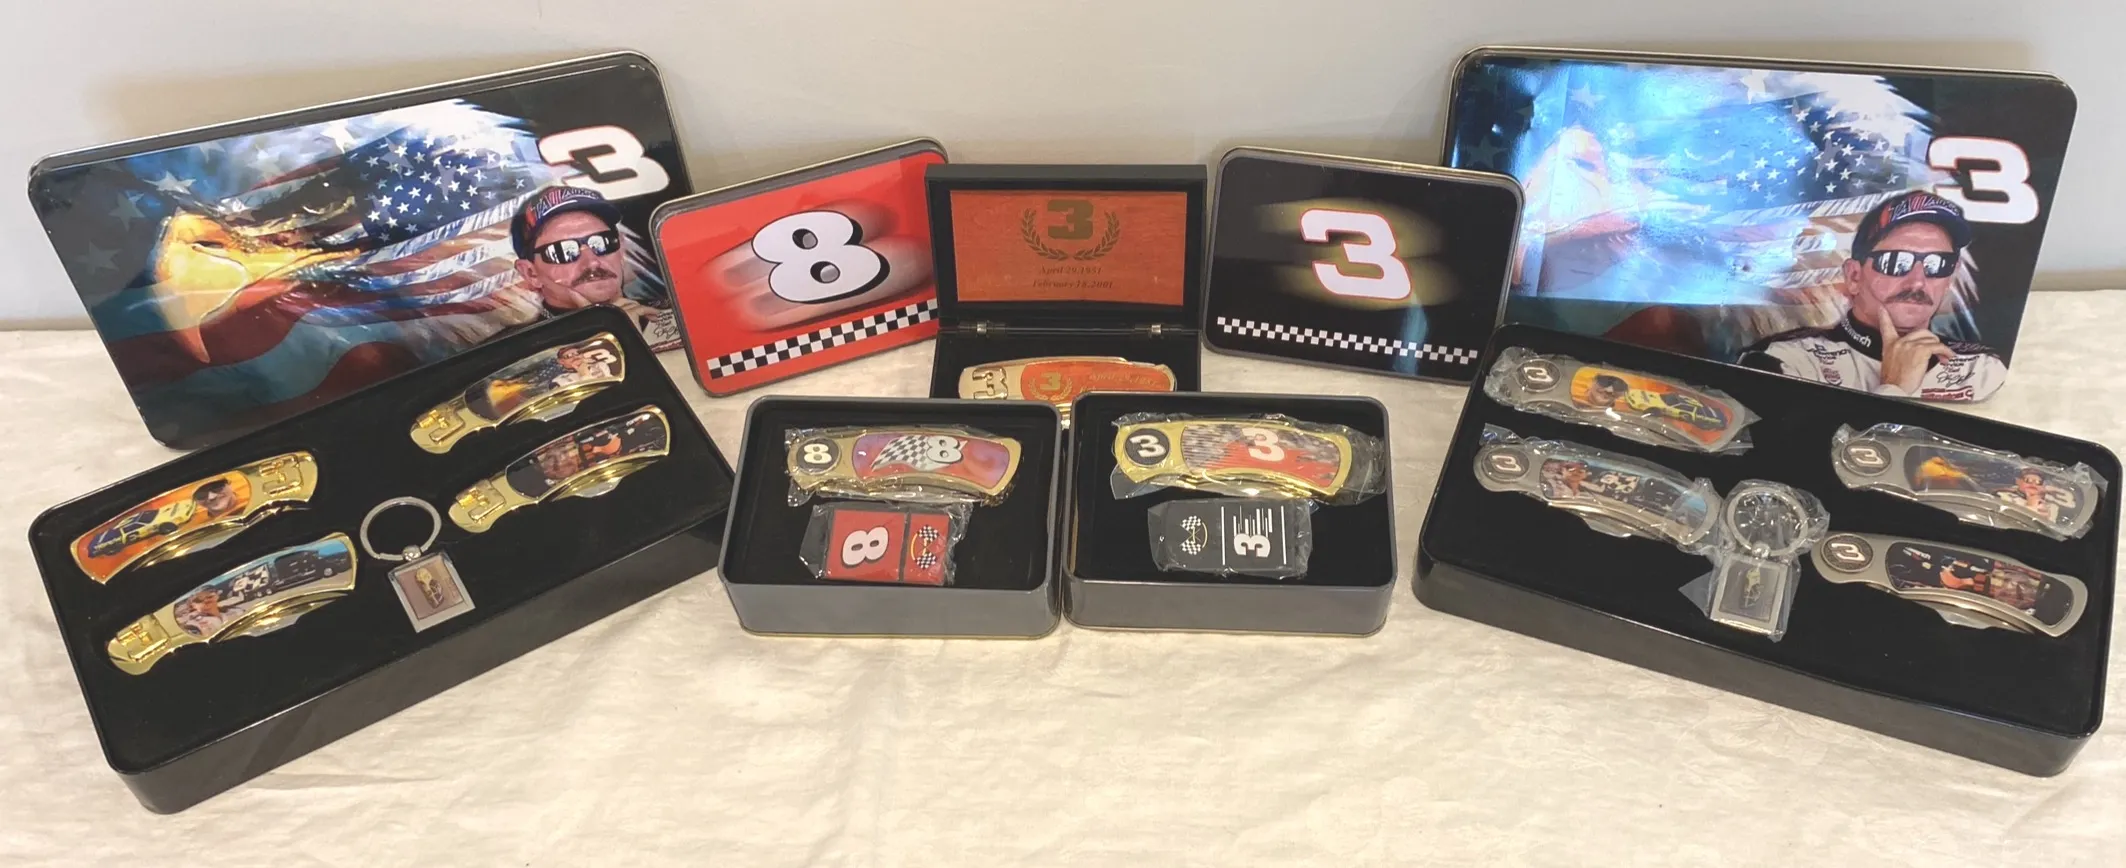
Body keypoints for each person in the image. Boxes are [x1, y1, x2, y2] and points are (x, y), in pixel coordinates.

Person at [1736, 191, 2007, 401]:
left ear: (1950, 278)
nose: (1917, 281)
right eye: (1895, 262)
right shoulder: (1784, 359)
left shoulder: (1983, 369)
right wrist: (1894, 389)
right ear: (1854, 276)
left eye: (1937, 264)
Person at [511, 187, 661, 325]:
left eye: (602, 243)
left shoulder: (668, 314)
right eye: (564, 251)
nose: (592, 262)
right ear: (531, 273)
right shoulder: (517, 345)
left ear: (621, 250)